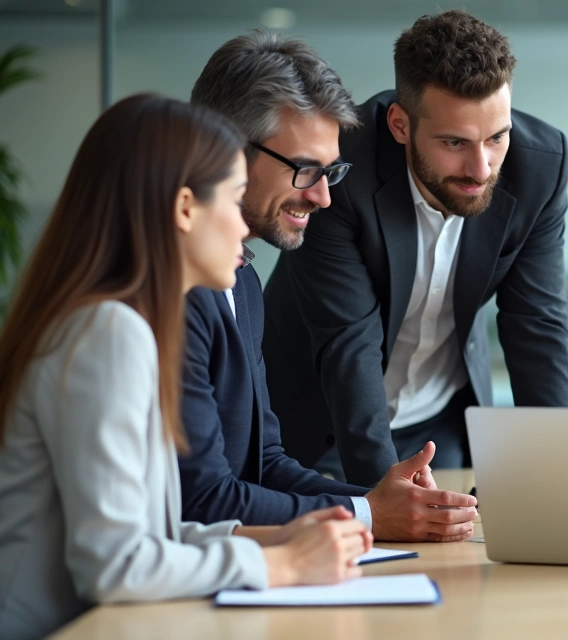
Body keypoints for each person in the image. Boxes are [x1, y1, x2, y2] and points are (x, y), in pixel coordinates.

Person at [0, 94, 370, 640]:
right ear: (184, 209)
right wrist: (283, 566)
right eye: (236, 199)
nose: (245, 232)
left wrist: (283, 537)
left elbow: (154, 532)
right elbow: (116, 564)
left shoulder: (115, 323)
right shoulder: (108, 332)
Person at [180, 30, 477, 542]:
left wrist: (380, 501)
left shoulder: (244, 281)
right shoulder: (177, 293)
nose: (322, 197)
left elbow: (264, 461)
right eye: (304, 170)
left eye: (331, 171)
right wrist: (369, 518)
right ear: (223, 149)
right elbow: (204, 500)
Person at [262, 10, 568, 485]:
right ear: (400, 124)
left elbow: (538, 328)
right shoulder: (342, 170)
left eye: (496, 137)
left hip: (438, 424)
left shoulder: (541, 168)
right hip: (321, 423)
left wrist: (557, 473)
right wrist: (386, 495)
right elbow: (348, 343)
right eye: (454, 142)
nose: (481, 168)